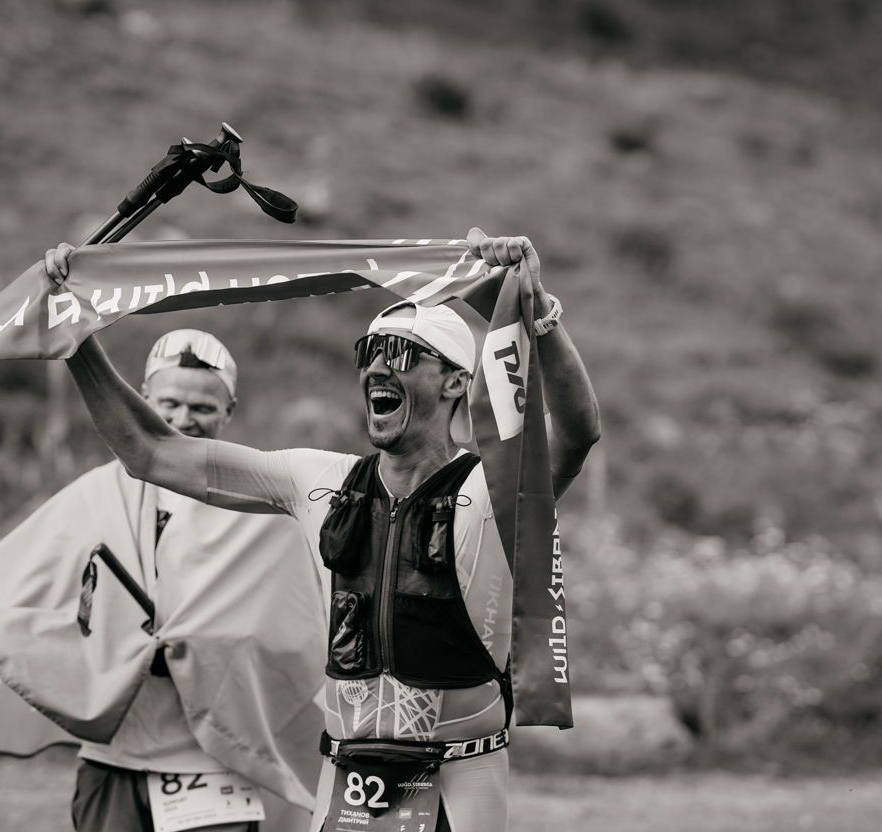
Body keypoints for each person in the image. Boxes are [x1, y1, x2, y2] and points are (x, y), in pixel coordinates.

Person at [44, 227, 601, 832]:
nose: (379, 366)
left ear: (454, 381)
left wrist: (535, 311)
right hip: (346, 780)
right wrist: (76, 337)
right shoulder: (320, 481)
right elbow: (152, 452)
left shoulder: (488, 490)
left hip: (459, 782)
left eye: (402, 353)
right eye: (371, 351)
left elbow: (576, 432)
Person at [0, 329, 323, 832]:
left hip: (216, 761)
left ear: (229, 412)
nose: (183, 420)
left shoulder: (262, 507)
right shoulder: (95, 498)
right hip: (113, 756)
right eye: (169, 403)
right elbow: (10, 595)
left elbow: (305, 623)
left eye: (202, 408)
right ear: (142, 398)